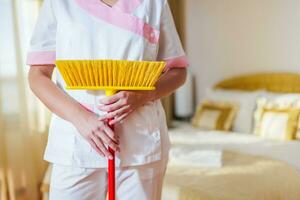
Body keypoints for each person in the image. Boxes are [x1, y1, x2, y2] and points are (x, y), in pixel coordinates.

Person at [27, 0, 188, 199]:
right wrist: (82, 119)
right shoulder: (59, 3)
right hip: (76, 143)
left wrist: (142, 95)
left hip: (139, 144)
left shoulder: (154, 3)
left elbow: (178, 71)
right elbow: (37, 76)